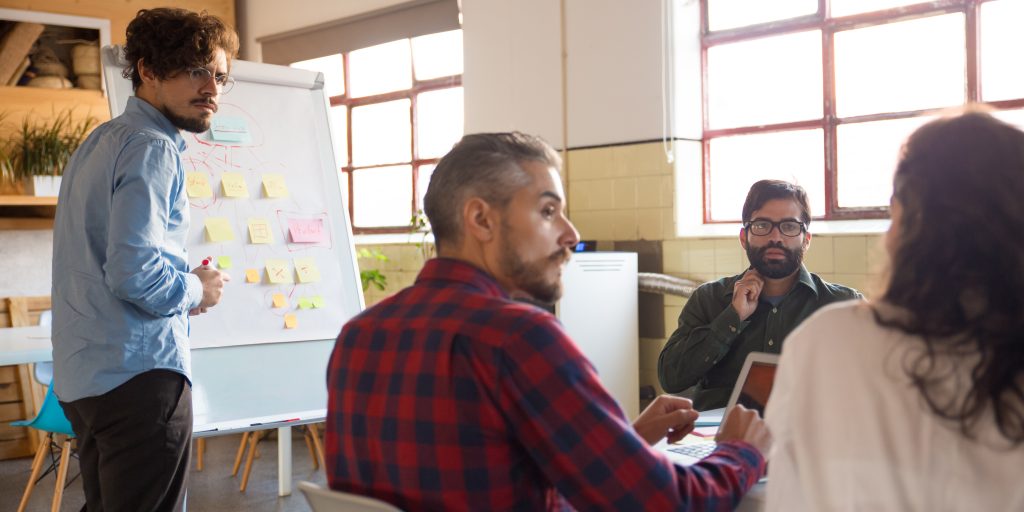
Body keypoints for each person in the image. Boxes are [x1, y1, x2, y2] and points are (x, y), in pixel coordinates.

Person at [325, 132, 771, 511]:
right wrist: (740, 451)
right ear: (480, 219)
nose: (571, 235)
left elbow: (488, 477)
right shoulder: (519, 338)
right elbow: (665, 502)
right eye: (547, 211)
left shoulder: (359, 335)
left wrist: (626, 441)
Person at [765, 110, 1024, 510]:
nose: (776, 238)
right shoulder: (722, 301)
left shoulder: (826, 340)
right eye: (764, 225)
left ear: (903, 222)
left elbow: (785, 500)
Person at [51, 8, 236, 511]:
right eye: (196, 69)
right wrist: (199, 288)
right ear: (149, 70)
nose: (212, 88)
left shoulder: (99, 142)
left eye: (220, 75)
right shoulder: (154, 147)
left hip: (85, 379)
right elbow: (134, 272)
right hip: (139, 377)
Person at [658, 180, 862, 410]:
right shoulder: (709, 299)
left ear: (806, 240)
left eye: (789, 226)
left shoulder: (843, 305)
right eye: (762, 225)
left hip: (809, 438)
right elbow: (671, 379)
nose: (776, 237)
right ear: (744, 238)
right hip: (719, 438)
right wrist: (732, 318)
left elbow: (873, 385)